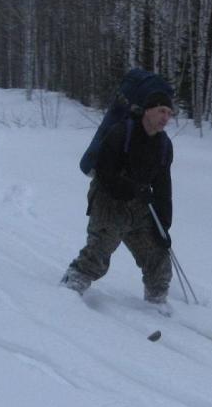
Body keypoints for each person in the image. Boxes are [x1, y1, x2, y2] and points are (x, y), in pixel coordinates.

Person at [61, 88, 174, 309]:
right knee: (98, 254)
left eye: (170, 113)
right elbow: (104, 173)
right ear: (148, 111)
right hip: (108, 201)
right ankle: (70, 289)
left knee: (158, 257)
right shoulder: (121, 132)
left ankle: (156, 303)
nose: (166, 118)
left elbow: (163, 186)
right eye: (162, 111)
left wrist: (164, 226)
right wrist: (131, 188)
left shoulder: (164, 145)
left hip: (139, 207)